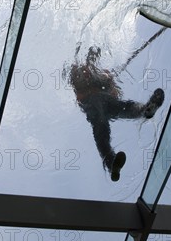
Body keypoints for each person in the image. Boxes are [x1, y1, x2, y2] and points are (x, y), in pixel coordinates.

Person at [69, 46, 164, 181]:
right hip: (92, 103)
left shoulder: (102, 73)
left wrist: (109, 81)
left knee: (122, 107)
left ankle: (146, 110)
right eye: (91, 57)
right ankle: (110, 161)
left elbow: (115, 93)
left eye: (94, 57)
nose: (92, 60)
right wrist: (99, 79)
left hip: (107, 102)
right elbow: (77, 83)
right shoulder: (79, 71)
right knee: (101, 126)